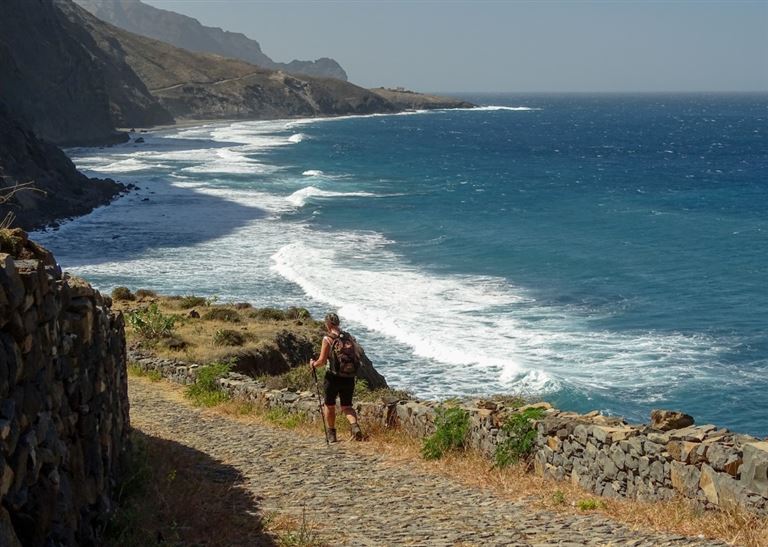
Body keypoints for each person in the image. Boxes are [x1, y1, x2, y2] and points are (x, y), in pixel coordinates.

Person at [309, 313, 364, 442]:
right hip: (349, 376)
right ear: (338, 323)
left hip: (332, 377)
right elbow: (358, 354)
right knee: (347, 406)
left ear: (328, 324)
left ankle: (332, 434)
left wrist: (313, 364)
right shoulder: (348, 337)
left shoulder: (327, 339)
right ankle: (355, 427)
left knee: (329, 405)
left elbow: (322, 361)